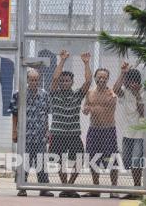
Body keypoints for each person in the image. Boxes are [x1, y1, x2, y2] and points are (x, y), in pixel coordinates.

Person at [49, 50, 92, 198]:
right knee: (58, 162)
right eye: (62, 80)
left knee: (78, 160)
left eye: (67, 80)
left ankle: (70, 186)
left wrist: (86, 63)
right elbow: (54, 79)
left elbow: (88, 82)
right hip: (58, 134)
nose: (64, 82)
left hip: (74, 135)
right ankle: (64, 185)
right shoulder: (54, 94)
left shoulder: (77, 95)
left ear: (72, 82)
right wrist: (62, 60)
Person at [9, 67, 54, 197]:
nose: (34, 82)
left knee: (41, 161)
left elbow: (46, 114)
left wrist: (47, 131)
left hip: (40, 135)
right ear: (27, 80)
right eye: (32, 79)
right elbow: (15, 114)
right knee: (24, 161)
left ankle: (44, 188)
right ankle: (22, 187)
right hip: (25, 135)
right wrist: (14, 131)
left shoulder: (44, 94)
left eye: (36, 80)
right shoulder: (19, 94)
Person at [82, 68, 119, 198]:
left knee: (112, 160)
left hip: (108, 130)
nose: (102, 79)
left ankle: (113, 189)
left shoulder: (111, 93)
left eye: (104, 77)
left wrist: (122, 72)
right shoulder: (90, 93)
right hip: (94, 130)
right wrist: (86, 110)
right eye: (99, 77)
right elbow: (85, 109)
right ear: (95, 78)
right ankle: (96, 188)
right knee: (93, 159)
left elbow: (118, 88)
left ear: (108, 79)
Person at [114, 63, 144, 200]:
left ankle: (137, 191)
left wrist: (137, 94)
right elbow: (115, 89)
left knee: (136, 162)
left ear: (138, 83)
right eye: (128, 82)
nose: (130, 85)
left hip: (140, 134)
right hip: (127, 133)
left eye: (133, 82)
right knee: (127, 162)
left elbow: (143, 113)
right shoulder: (125, 92)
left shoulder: (144, 93)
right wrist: (123, 72)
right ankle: (135, 190)